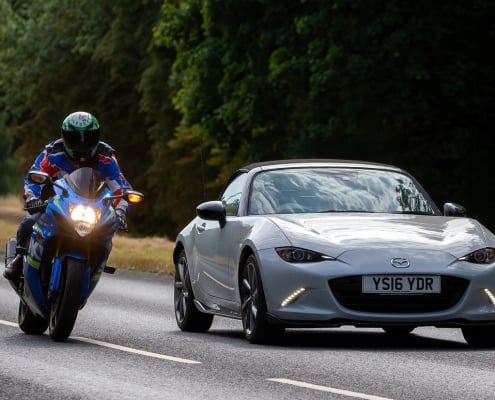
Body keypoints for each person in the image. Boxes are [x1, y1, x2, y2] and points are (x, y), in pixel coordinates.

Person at [4, 111, 131, 280]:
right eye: (75, 138)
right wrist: (33, 198)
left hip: (92, 207)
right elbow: (33, 178)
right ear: (64, 137)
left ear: (97, 137)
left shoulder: (106, 157)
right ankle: (19, 258)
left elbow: (120, 187)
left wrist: (121, 210)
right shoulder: (52, 154)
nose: (82, 144)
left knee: (108, 231)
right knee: (30, 221)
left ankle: (96, 265)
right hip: (53, 202)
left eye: (88, 138)